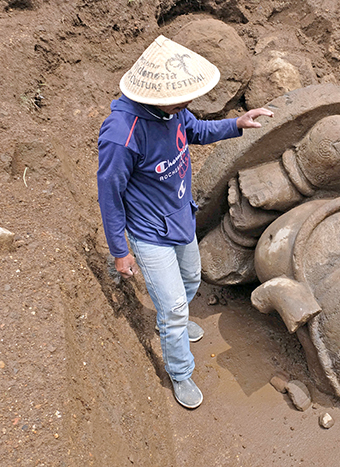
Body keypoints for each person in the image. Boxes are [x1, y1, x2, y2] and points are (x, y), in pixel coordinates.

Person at [97, 35, 274, 409]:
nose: (189, 102)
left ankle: (171, 321)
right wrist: (119, 251)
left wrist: (236, 123)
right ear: (156, 95)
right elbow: (109, 196)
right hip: (149, 234)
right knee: (176, 306)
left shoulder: (171, 112)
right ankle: (180, 371)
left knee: (192, 278)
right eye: (184, 97)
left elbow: (196, 130)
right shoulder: (121, 135)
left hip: (180, 217)